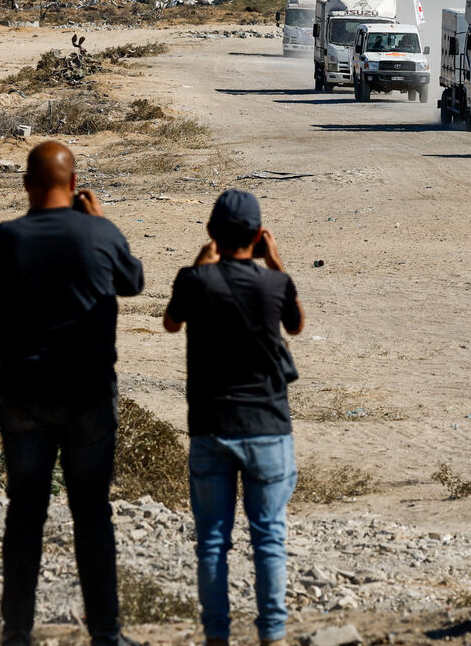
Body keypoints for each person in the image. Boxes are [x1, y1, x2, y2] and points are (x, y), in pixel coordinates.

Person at [0, 140, 145, 646]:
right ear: (74, 185)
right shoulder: (99, 232)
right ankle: (107, 633)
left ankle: (16, 631)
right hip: (89, 393)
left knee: (25, 510)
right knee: (92, 512)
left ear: (27, 185)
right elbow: (133, 282)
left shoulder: (5, 238)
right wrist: (100, 221)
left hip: (25, 394)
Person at [162, 190, 305, 646]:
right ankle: (273, 635)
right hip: (267, 426)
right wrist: (276, 259)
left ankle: (217, 637)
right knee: (268, 539)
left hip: (210, 426)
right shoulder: (274, 285)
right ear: (259, 237)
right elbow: (297, 324)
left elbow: (169, 323)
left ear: (211, 234)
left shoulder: (194, 280)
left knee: (212, 542)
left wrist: (201, 263)